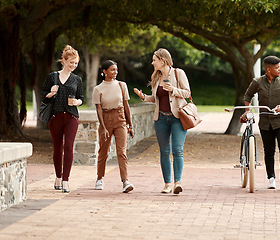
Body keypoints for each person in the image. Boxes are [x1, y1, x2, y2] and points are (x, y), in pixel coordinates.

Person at [133, 48, 191, 194]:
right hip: (161, 119)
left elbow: (188, 93)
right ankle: (167, 184)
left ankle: (177, 182)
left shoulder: (178, 73)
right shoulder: (156, 78)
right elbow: (156, 98)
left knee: (177, 150)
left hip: (177, 117)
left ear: (163, 60)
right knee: (164, 151)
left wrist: (173, 90)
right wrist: (144, 97)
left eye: (154, 60)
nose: (152, 63)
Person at [243, 56, 280, 189]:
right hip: (266, 122)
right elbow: (247, 95)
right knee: (269, 150)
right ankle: (271, 178)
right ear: (268, 69)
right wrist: (247, 110)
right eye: (277, 68)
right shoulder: (257, 82)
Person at [42, 45, 84, 193]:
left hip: (72, 116)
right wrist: (51, 93)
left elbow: (81, 98)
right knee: (58, 148)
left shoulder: (77, 79)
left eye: (76, 63)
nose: (73, 65)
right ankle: (58, 177)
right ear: (64, 61)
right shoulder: (52, 77)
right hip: (56, 116)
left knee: (69, 147)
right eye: (71, 62)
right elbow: (44, 97)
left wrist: (77, 102)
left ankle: (66, 180)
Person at [92, 60, 135, 193]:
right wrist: (103, 127)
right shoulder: (98, 89)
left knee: (122, 152)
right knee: (103, 151)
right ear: (104, 71)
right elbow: (99, 110)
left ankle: (125, 181)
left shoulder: (122, 85)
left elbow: (126, 106)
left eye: (116, 70)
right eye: (112, 70)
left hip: (120, 119)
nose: (115, 72)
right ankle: (99, 178)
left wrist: (130, 125)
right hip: (106, 119)